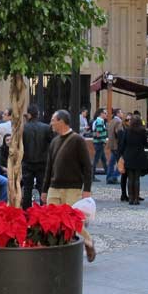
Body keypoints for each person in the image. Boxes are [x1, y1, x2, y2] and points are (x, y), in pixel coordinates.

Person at [41, 110, 95, 262]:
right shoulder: (54, 141)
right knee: (52, 219)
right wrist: (45, 190)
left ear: (61, 121)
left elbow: (87, 167)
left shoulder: (77, 140)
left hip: (72, 188)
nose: (51, 123)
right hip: (54, 187)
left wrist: (87, 189)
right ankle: (59, 248)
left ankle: (88, 241)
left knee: (73, 221)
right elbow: (49, 168)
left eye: (53, 120)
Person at [21, 104, 52, 209]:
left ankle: (26, 212)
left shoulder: (23, 128)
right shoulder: (46, 128)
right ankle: (44, 211)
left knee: (27, 189)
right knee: (42, 188)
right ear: (38, 114)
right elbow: (52, 144)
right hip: (42, 162)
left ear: (28, 115)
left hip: (27, 161)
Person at [118, 114, 148, 204]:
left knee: (130, 178)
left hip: (129, 156)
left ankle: (131, 198)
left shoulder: (127, 131)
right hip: (139, 156)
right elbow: (145, 144)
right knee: (137, 179)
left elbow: (123, 144)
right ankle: (136, 199)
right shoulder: (143, 131)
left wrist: (121, 154)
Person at [105, 109, 124, 184]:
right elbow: (119, 133)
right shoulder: (119, 122)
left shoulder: (111, 121)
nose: (122, 114)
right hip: (117, 145)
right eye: (121, 112)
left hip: (111, 144)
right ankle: (113, 177)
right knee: (121, 163)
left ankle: (109, 177)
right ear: (118, 113)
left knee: (111, 162)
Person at [91, 108, 108, 181]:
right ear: (101, 114)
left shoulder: (98, 121)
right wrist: (103, 141)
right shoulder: (100, 121)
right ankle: (92, 176)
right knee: (96, 160)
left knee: (103, 159)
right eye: (105, 113)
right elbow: (98, 133)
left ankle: (108, 174)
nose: (106, 114)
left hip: (98, 143)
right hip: (99, 143)